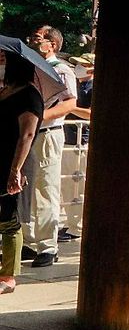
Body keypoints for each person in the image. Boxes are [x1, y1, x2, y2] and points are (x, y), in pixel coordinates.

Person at [22, 26, 76, 268]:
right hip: (27, 134)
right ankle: (29, 240)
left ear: (51, 44)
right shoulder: (28, 68)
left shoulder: (61, 70)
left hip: (47, 134)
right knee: (24, 188)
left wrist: (38, 116)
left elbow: (68, 104)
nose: (32, 41)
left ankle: (47, 246)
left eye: (37, 38)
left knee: (46, 188)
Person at [0, 52, 44, 293]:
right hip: (2, 160)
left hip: (15, 163)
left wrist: (15, 169)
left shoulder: (29, 95)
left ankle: (8, 275)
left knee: (9, 219)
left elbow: (27, 134)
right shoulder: (8, 91)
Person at [59, 52, 95, 243]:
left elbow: (91, 114)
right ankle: (71, 223)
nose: (78, 68)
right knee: (67, 185)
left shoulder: (93, 87)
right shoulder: (80, 86)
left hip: (82, 140)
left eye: (83, 64)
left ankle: (77, 226)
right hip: (70, 139)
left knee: (78, 183)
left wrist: (69, 108)